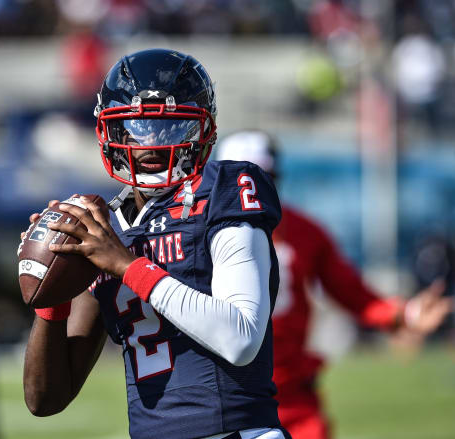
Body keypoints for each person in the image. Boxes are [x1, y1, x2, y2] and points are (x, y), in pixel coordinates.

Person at [22, 48, 289, 439]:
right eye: (135, 128)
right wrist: (51, 287)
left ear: (204, 132)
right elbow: (44, 400)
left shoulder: (223, 189)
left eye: (170, 128)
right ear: (108, 132)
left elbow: (242, 338)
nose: (149, 143)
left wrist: (127, 267)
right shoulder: (105, 225)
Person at [216, 129, 455, 439]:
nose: (250, 189)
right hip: (228, 398)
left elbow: (350, 291)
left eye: (262, 177)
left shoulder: (304, 232)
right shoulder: (197, 234)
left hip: (292, 396)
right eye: (238, 178)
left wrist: (404, 314)